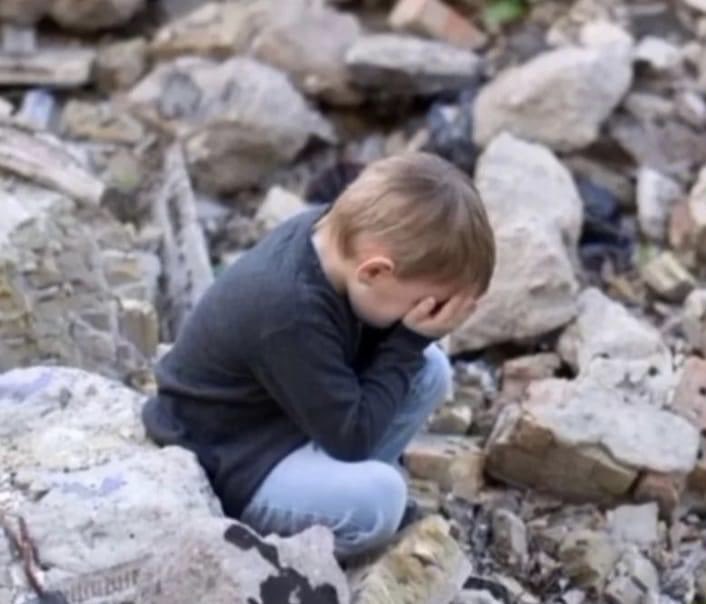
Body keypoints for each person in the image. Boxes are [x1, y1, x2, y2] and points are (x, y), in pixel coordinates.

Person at [142, 152, 495, 558]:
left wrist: (412, 338)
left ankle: (332, 487)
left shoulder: (334, 237)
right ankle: (282, 553)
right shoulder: (289, 308)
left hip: (282, 420)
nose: (420, 316)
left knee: (430, 370)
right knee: (380, 501)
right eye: (420, 304)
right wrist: (408, 340)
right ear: (375, 272)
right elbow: (353, 438)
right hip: (227, 460)